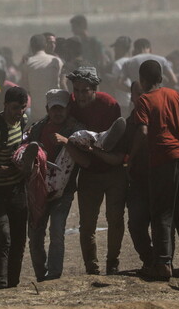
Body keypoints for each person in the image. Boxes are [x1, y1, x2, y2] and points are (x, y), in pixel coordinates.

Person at [130, 60, 179, 280]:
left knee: (162, 212)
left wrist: (132, 157)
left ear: (142, 81)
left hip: (163, 160)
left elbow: (142, 133)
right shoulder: (174, 95)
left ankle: (162, 264)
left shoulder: (143, 100)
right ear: (161, 78)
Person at [66, 66, 127, 275]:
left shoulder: (109, 105)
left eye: (85, 91)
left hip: (112, 169)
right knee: (87, 223)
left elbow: (118, 143)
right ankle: (91, 267)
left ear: (94, 89)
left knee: (115, 219)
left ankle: (113, 263)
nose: (80, 95)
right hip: (89, 170)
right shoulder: (71, 105)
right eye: (77, 90)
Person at [26, 89, 83, 281]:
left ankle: (54, 274)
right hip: (39, 190)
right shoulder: (37, 129)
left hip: (63, 192)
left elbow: (84, 159)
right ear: (47, 109)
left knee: (57, 231)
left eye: (61, 108)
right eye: (54, 109)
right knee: (35, 236)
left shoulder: (77, 130)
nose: (57, 113)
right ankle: (41, 275)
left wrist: (66, 142)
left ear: (68, 109)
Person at [0, 86, 29, 290]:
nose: (19, 112)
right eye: (15, 107)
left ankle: (13, 284)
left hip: (17, 190)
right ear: (5, 105)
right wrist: (11, 169)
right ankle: (0, 286)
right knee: (4, 237)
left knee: (19, 239)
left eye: (23, 108)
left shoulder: (22, 122)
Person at [21, 34, 62, 123]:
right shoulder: (56, 61)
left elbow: (25, 89)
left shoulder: (27, 64)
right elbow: (61, 83)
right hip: (56, 111)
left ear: (31, 47)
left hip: (36, 114)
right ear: (45, 45)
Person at [108, 36, 132, 116]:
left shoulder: (118, 63)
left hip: (123, 102)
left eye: (116, 47)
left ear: (121, 48)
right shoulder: (133, 61)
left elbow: (115, 84)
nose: (114, 50)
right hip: (134, 101)